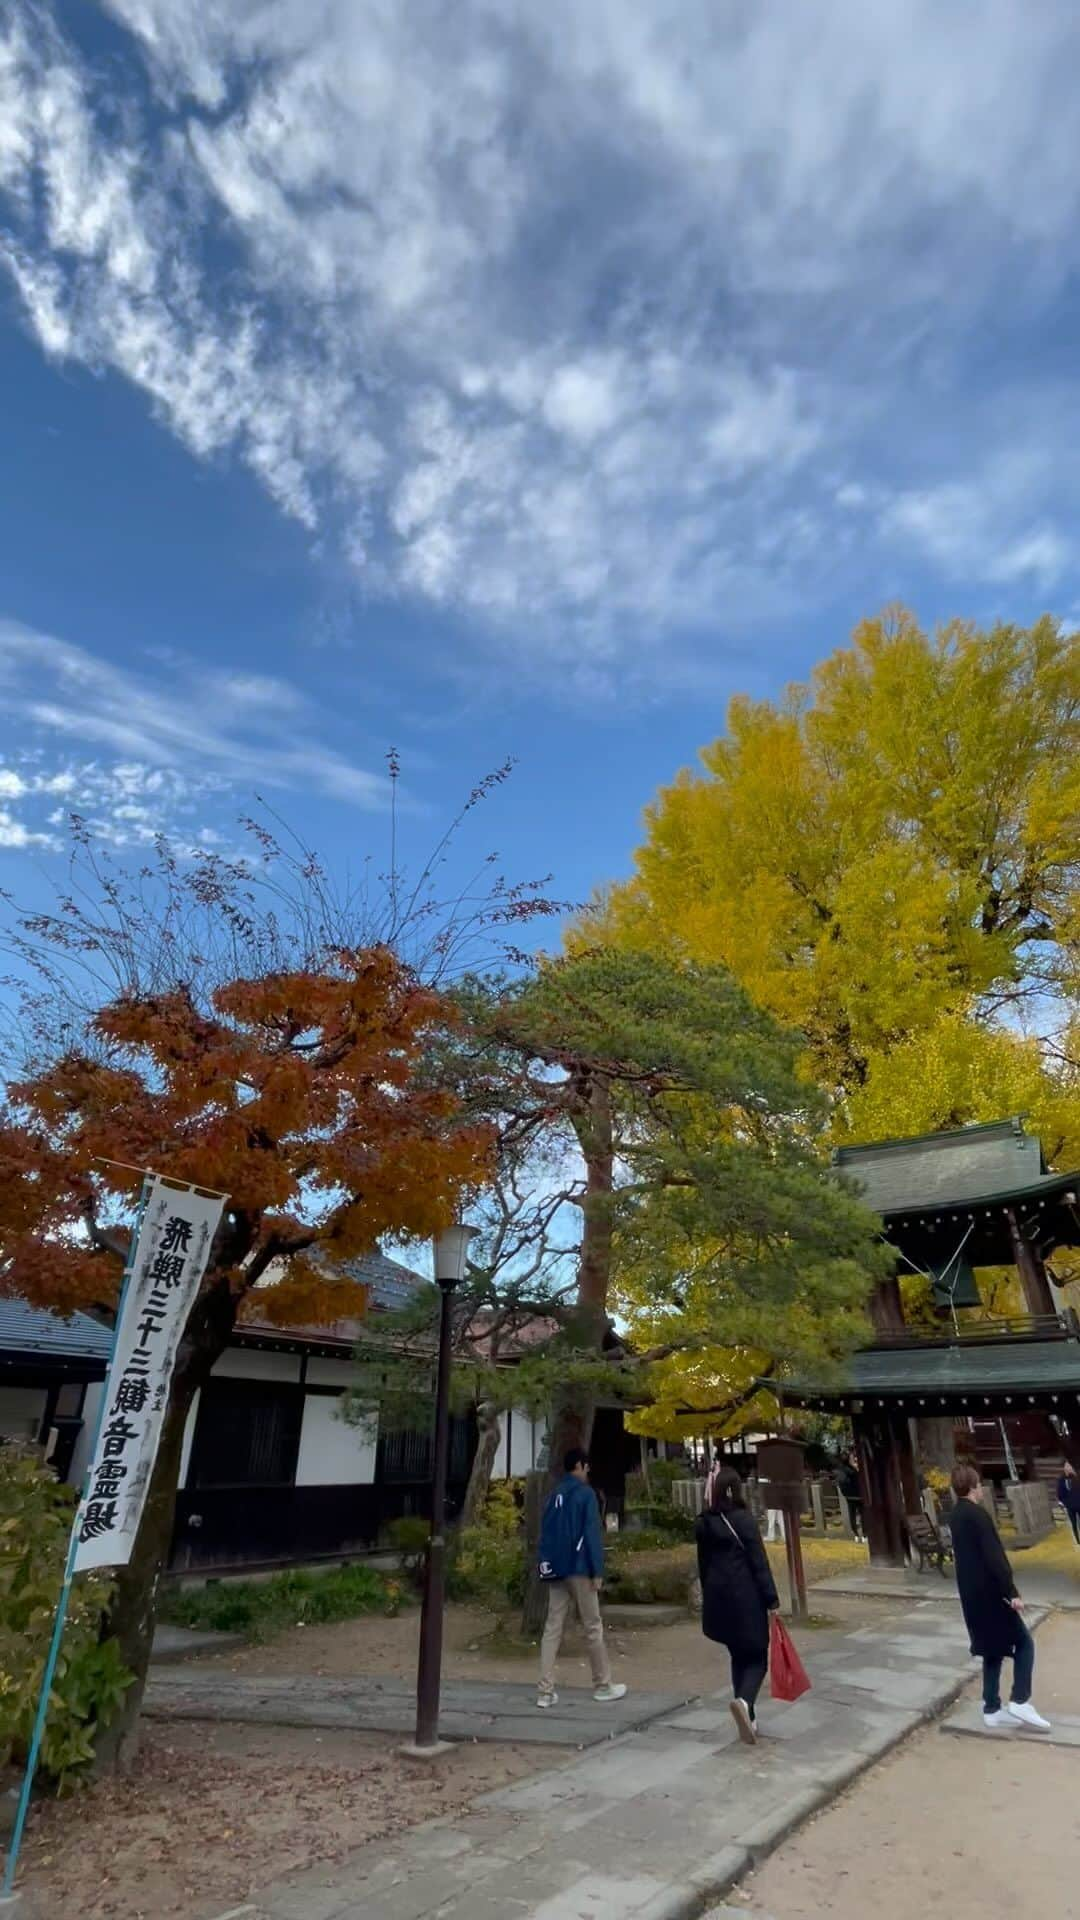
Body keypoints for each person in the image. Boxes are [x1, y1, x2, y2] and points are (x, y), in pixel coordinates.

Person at [948, 1461, 1051, 1732]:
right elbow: (995, 1558)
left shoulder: (956, 1515)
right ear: (972, 1487)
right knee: (1024, 1643)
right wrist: (1011, 1592)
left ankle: (991, 1707)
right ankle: (1020, 1699)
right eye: (979, 1484)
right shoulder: (978, 1516)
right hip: (991, 1594)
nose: (981, 1488)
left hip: (972, 1594)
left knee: (991, 1650)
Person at [695, 1464, 780, 1746]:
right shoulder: (743, 1520)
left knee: (737, 1654)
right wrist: (772, 1599)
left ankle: (749, 1716)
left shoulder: (705, 1522)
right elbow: (758, 1562)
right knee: (756, 1656)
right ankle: (745, 1702)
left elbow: (703, 1564)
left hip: (718, 1598)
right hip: (746, 1596)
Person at [536, 1448, 627, 1710]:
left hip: (555, 1568)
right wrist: (597, 1571)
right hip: (579, 1568)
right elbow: (591, 1534)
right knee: (592, 1626)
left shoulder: (553, 1495)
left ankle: (545, 1691)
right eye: (586, 1467)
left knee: (552, 1627)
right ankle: (602, 1685)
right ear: (579, 1465)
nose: (588, 1471)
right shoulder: (585, 1494)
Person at [837, 1451, 864, 1542]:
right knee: (862, 1515)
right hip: (858, 1495)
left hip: (849, 1496)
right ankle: (864, 1535)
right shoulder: (852, 1470)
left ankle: (856, 1535)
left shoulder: (840, 1470)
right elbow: (859, 1480)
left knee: (852, 1515)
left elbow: (840, 1483)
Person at [1056, 1459, 1080, 1546]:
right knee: (1073, 1524)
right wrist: (1062, 1502)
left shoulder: (1077, 1477)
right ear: (1064, 1468)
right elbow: (1060, 1492)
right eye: (1066, 1466)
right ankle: (1078, 1541)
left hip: (1079, 1503)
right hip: (1070, 1506)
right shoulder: (1062, 1480)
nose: (1068, 1468)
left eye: (1069, 1466)